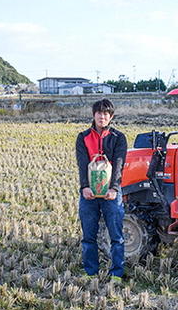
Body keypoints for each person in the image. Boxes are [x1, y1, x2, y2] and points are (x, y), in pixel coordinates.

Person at [75, 98, 127, 281]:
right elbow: (82, 164)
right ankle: (90, 271)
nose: (102, 116)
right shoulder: (83, 137)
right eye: (99, 113)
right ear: (93, 115)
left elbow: (119, 164)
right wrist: (84, 187)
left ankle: (117, 272)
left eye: (106, 113)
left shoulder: (118, 138)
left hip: (111, 194)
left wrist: (114, 188)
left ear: (111, 117)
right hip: (89, 193)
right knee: (88, 235)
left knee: (116, 235)